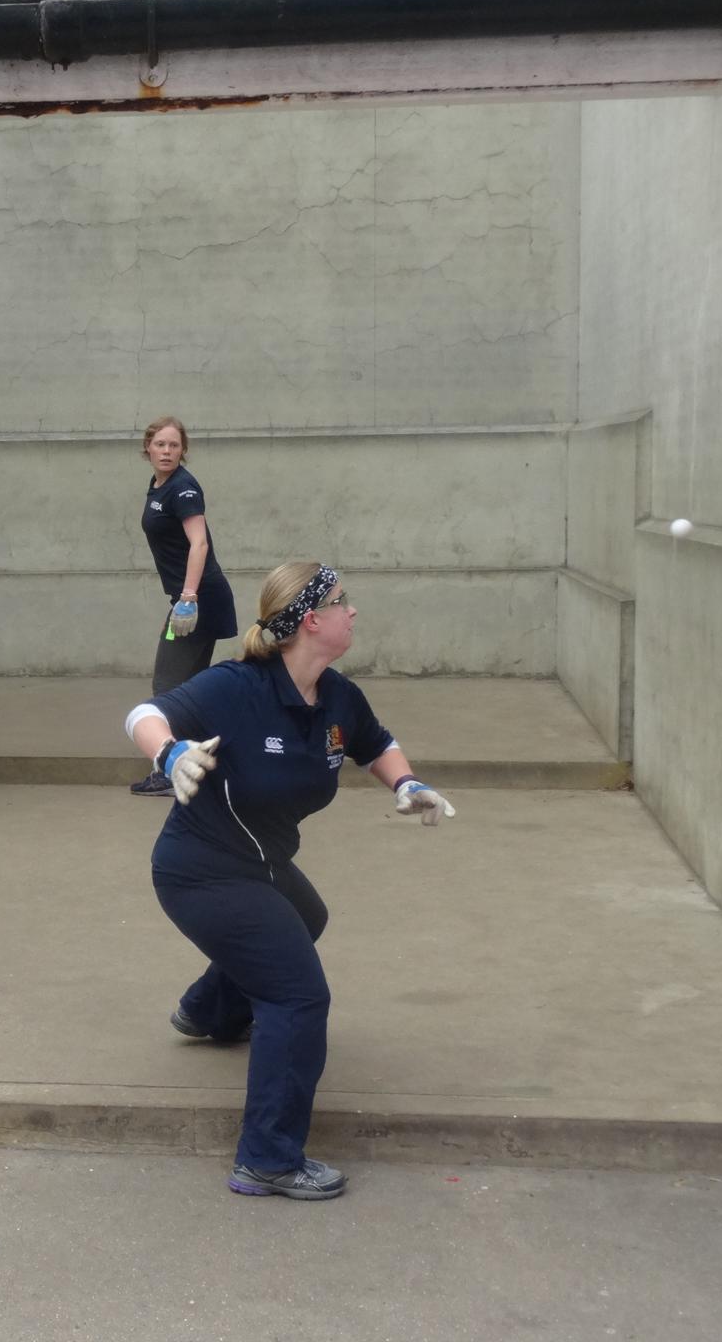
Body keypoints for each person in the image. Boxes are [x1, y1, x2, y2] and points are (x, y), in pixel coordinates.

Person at [123, 561, 456, 1200]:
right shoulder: (235, 687)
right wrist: (169, 753)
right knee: (298, 995)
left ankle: (208, 1011)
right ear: (311, 620)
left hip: (262, 865)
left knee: (307, 920)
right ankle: (268, 1159)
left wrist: (407, 782)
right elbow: (142, 713)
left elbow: (375, 742)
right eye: (342, 601)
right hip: (201, 872)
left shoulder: (335, 695)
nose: (353, 611)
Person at [130, 416, 239, 797]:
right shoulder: (159, 485)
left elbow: (200, 543)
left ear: (183, 451)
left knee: (167, 684)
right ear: (148, 448)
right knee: (187, 687)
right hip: (189, 599)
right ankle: (195, 762)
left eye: (174, 446)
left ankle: (169, 769)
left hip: (198, 600)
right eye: (160, 444)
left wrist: (189, 598)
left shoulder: (184, 488)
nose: (166, 451)